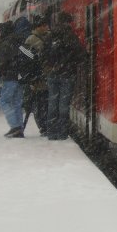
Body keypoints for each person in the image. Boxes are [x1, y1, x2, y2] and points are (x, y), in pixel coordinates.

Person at [45, 11, 85, 141]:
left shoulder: (51, 36)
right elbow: (81, 55)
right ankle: (62, 133)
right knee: (64, 104)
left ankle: (51, 132)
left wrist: (51, 66)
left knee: (52, 102)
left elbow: (42, 54)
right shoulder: (71, 36)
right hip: (67, 74)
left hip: (53, 74)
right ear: (69, 22)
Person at [0, 21, 25, 138]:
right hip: (21, 77)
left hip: (10, 77)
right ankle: (19, 127)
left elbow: (1, 63)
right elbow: (31, 56)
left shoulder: (5, 44)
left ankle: (15, 126)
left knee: (4, 101)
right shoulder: (20, 42)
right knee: (17, 102)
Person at [21, 14, 50, 135]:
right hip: (37, 77)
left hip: (47, 75)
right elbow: (26, 59)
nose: (46, 27)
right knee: (39, 103)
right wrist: (32, 77)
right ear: (38, 27)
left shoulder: (49, 37)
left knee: (45, 102)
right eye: (44, 25)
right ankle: (43, 126)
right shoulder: (30, 40)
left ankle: (46, 125)